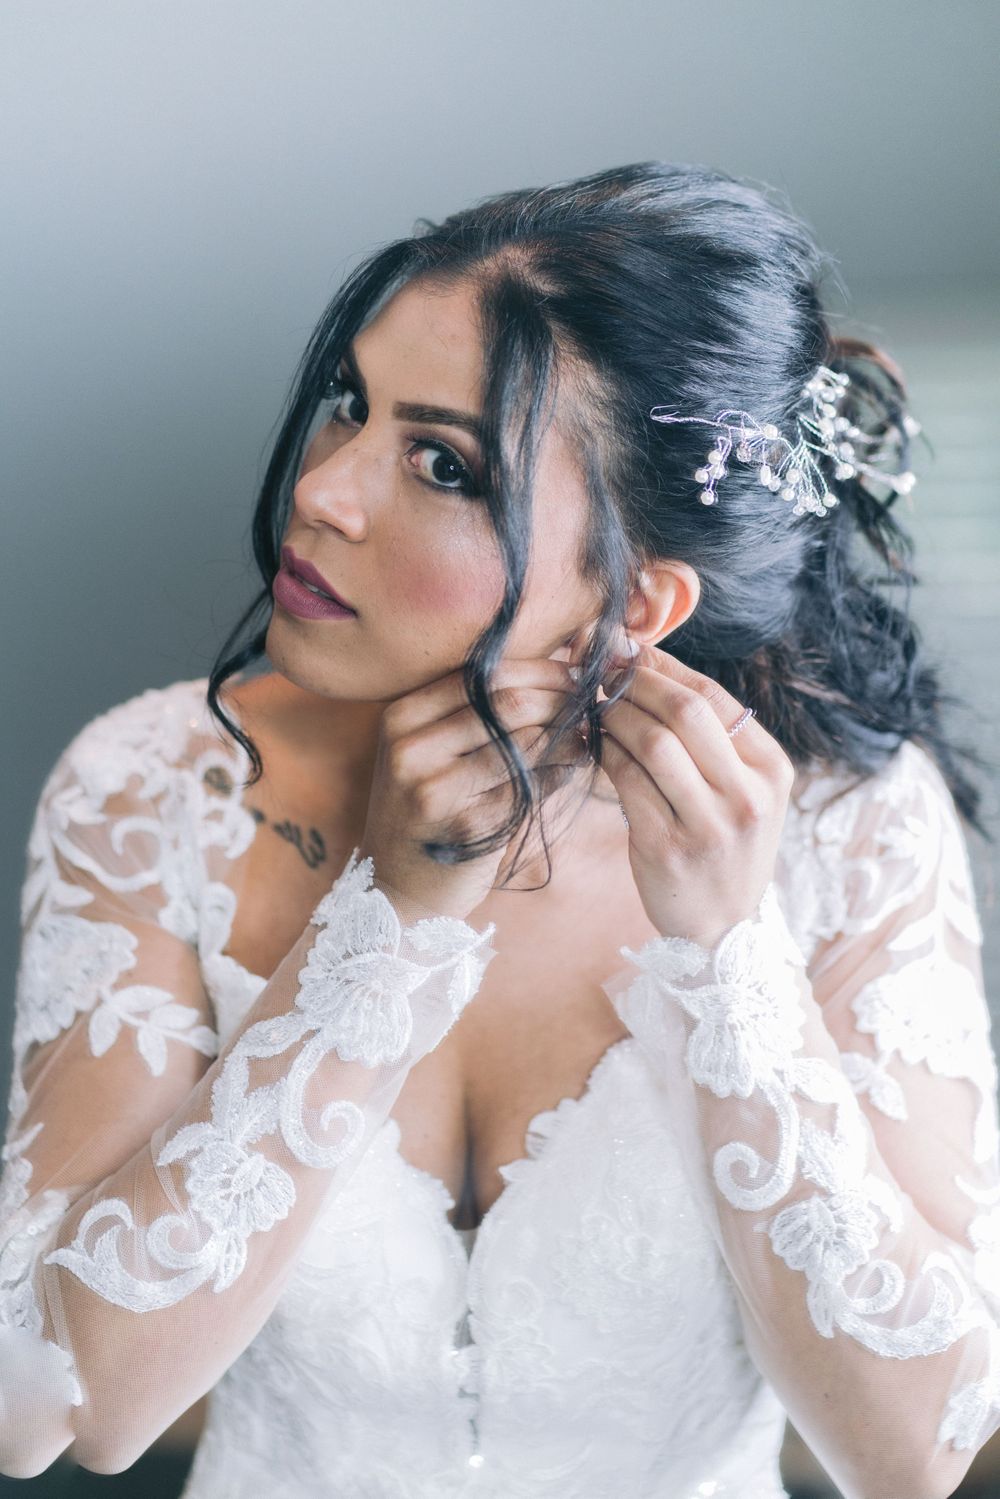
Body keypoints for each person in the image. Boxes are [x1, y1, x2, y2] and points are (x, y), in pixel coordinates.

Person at [1, 161, 998, 1499]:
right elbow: (46, 1407)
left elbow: (918, 1453)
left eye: (441, 464)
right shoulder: (150, 785)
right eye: (348, 403)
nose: (325, 489)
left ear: (636, 603)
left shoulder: (849, 825)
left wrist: (729, 958)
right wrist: (380, 930)